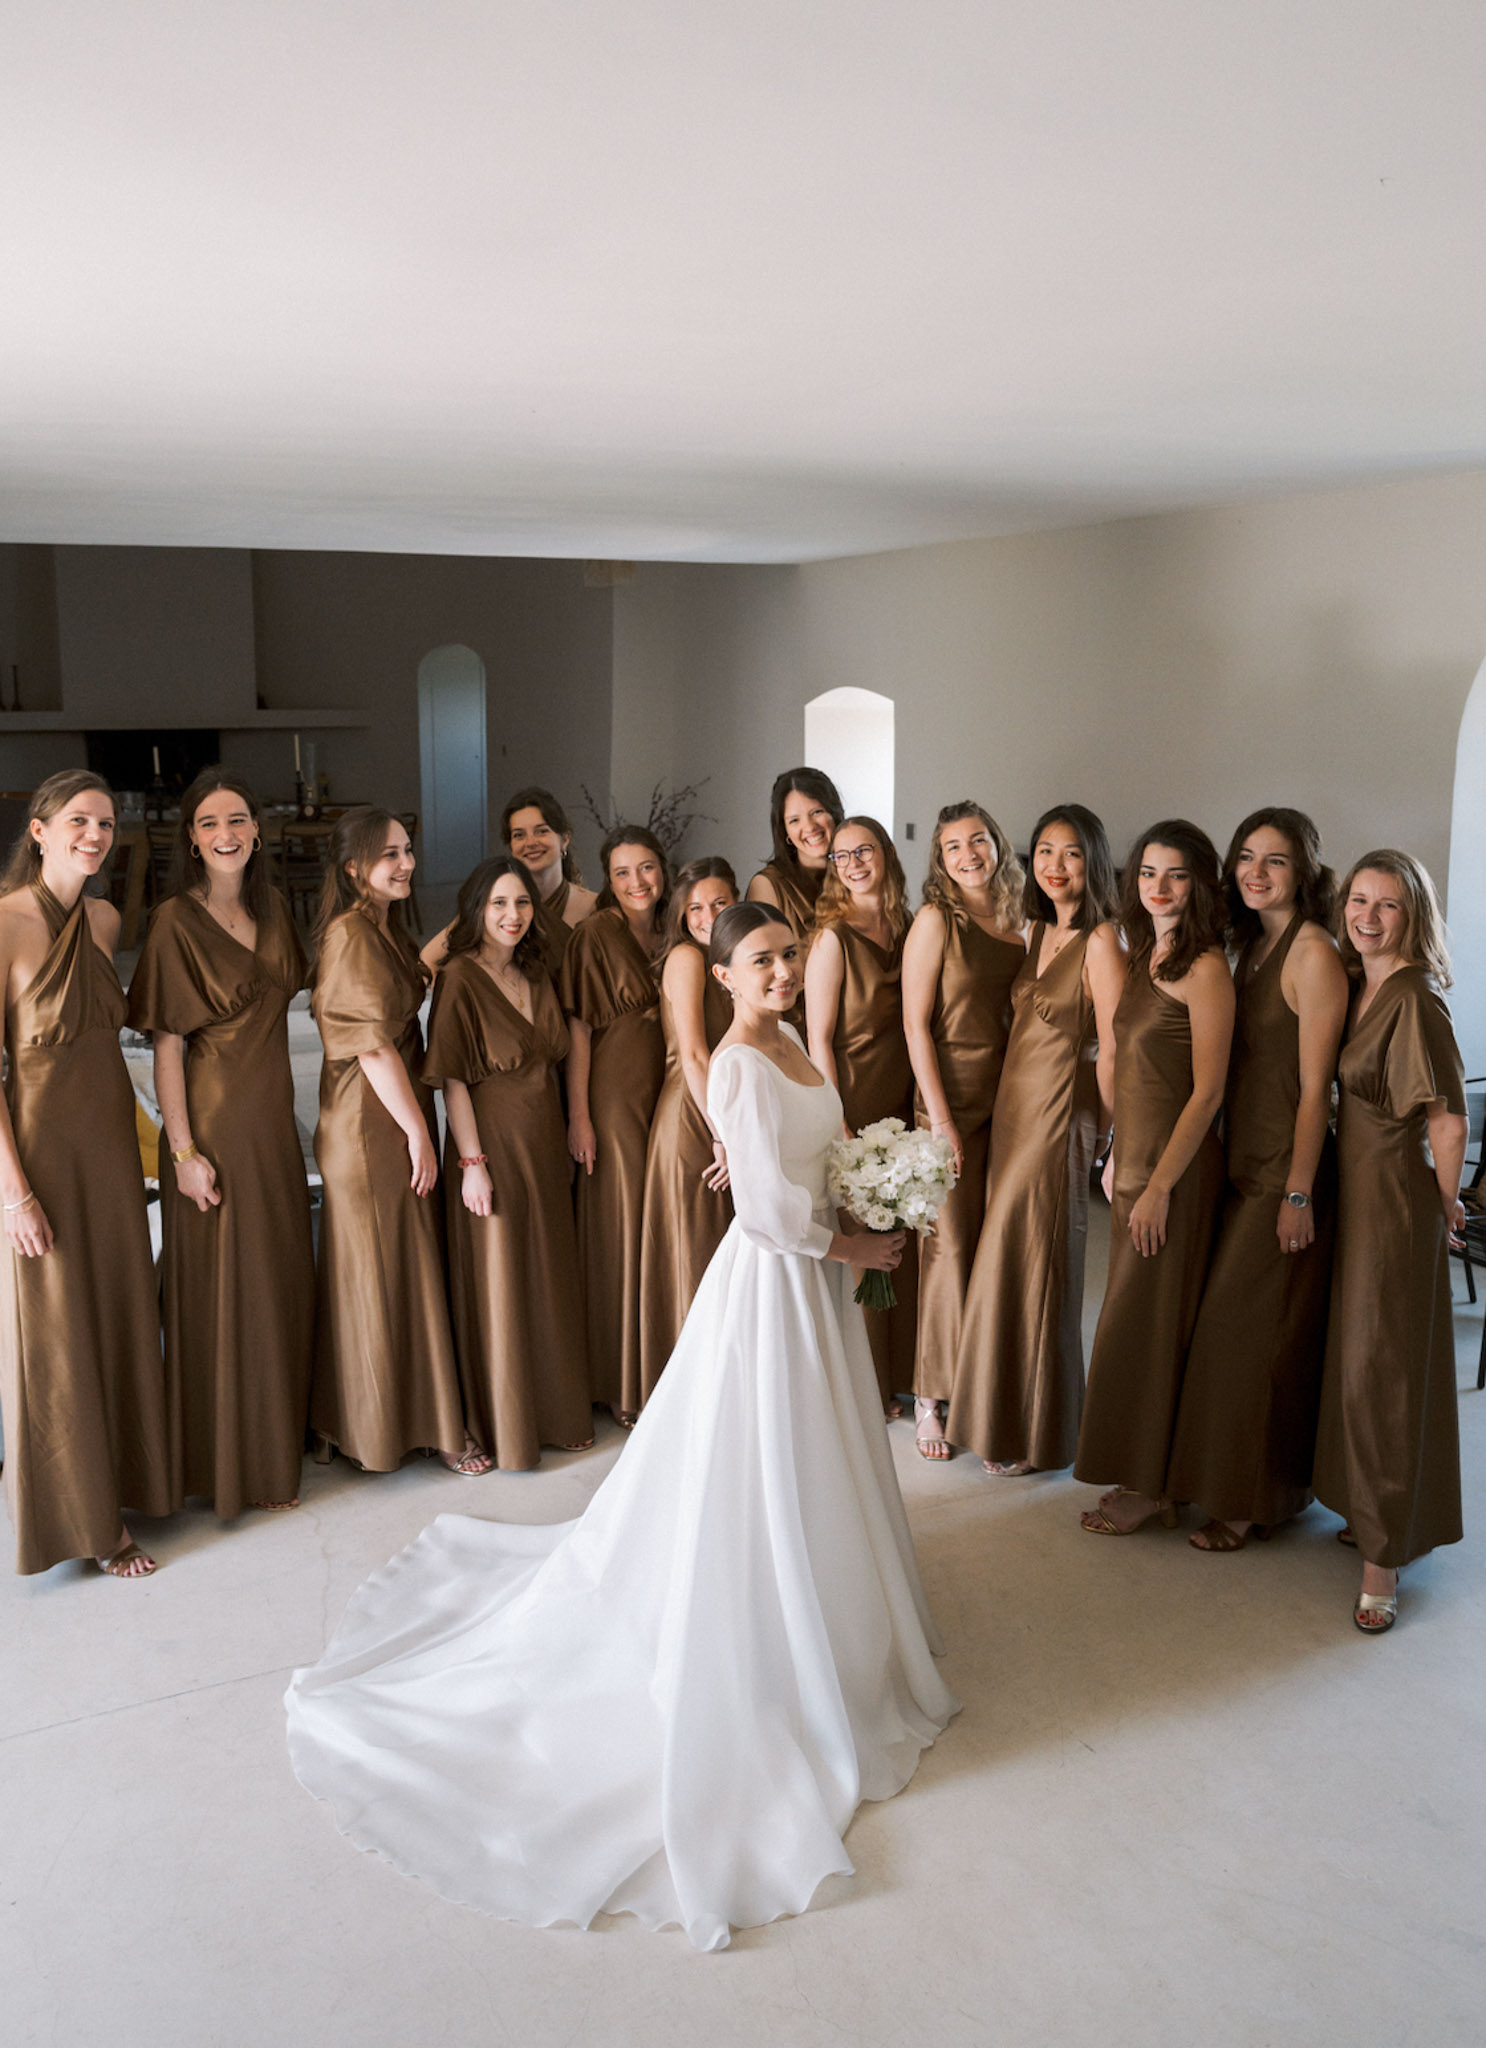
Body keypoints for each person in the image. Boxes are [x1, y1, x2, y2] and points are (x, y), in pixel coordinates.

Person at [285, 901, 956, 1952]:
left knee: (816, 1458)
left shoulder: (789, 1042)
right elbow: (765, 1216)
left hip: (815, 1284)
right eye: (758, 961)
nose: (779, 971)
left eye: (786, 955)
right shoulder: (740, 1063)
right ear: (722, 976)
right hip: (780, 1285)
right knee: (764, 1461)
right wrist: (854, 1248)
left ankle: (831, 1614)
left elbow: (794, 1161)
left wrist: (860, 1186)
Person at [0, 771, 175, 1577]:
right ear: (39, 830)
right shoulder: (4, 923)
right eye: (79, 820)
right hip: (43, 1152)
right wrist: (15, 1194)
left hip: (109, 1144)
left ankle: (131, 1484)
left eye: (105, 822)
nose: (96, 835)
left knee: (118, 1309)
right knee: (57, 1327)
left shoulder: (104, 919)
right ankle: (87, 1523)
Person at [128, 769, 316, 1519]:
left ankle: (275, 1448)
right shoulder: (175, 921)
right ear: (192, 839)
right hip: (213, 1129)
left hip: (274, 1127)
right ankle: (228, 1464)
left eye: (237, 819)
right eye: (209, 823)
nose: (225, 833)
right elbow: (167, 1045)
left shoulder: (275, 913)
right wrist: (182, 1152)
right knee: (224, 1293)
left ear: (257, 830)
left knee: (277, 1284)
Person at [1166, 810, 1349, 1549]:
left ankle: (1249, 1502)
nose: (1256, 872)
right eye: (1246, 857)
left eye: (1275, 860)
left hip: (1284, 1172)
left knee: (1247, 1337)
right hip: (1243, 1163)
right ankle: (1258, 1489)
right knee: (1242, 1336)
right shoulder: (1250, 945)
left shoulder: (1314, 953)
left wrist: (1298, 1191)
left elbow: (1315, 1091)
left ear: (1303, 872)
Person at [1311, 851, 1467, 1633]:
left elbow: (1448, 1118)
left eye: (1388, 905)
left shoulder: (1414, 996)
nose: (1368, 917)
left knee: (1382, 1375)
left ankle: (1383, 1562)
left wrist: (1445, 1202)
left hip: (1395, 1204)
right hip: (1359, 1194)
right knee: (1356, 1360)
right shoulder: (1363, 983)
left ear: (1414, 917)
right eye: (1359, 900)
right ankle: (1371, 1512)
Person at [308, 808, 490, 1477]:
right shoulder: (350, 933)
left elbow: (412, 975)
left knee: (393, 1267)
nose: (406, 863)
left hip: (387, 1112)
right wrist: (418, 1130)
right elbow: (374, 1046)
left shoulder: (379, 926)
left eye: (408, 850)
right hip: (370, 1122)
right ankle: (412, 1428)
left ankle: (376, 1419)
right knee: (387, 1270)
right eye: (390, 854)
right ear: (354, 867)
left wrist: (469, 928)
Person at [947, 805, 1125, 1474]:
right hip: (1012, 1111)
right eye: (1045, 851)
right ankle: (999, 1415)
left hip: (1058, 1116)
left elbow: (1114, 1048)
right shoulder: (1037, 930)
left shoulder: (1103, 940)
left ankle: (1035, 1431)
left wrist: (1105, 1135)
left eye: (1071, 853)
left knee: (1039, 1264)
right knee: (1007, 1260)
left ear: (1092, 862)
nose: (1054, 865)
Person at [1073, 820, 1234, 1533]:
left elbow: (1208, 1093)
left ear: (1199, 884)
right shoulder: (1145, 956)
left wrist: (1162, 1186)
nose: (1158, 887)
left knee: (1149, 1329)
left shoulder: (1207, 967)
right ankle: (1145, 1477)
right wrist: (1114, 1156)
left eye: (1175, 875)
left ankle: (1149, 1488)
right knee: (1133, 1327)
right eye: (1147, 873)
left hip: (1175, 1175)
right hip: (1134, 1166)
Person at [423, 855, 594, 1469]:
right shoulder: (459, 977)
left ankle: (557, 1411)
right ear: (476, 909)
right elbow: (453, 1080)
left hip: (543, 1139)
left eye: (521, 902)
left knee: (546, 1273)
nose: (512, 914)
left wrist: (575, 1122)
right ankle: (503, 1425)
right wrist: (472, 1162)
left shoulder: (537, 969)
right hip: (490, 1142)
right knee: (498, 1278)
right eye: (498, 903)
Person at [901, 803, 1025, 1459]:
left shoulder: (1022, 918)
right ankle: (930, 1396)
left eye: (978, 840)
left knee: (992, 1251)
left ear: (997, 845)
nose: (968, 854)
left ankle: (982, 1392)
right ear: (940, 860)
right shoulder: (934, 920)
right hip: (947, 1102)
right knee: (947, 1249)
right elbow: (915, 1024)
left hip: (1012, 1104)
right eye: (953, 846)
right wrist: (941, 1119)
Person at [805, 816, 918, 1414]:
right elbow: (818, 1040)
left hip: (905, 1103)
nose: (852, 864)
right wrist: (840, 1125)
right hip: (856, 1101)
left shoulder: (910, 925)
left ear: (886, 854)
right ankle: (866, 1385)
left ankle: (903, 1371)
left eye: (863, 851)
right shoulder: (832, 939)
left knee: (903, 1241)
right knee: (865, 1245)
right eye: (841, 856)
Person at [561, 824, 669, 1424]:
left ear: (663, 868)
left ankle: (663, 1365)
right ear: (607, 879)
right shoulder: (595, 935)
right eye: (622, 872)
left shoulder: (677, 927)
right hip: (614, 1093)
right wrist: (580, 1116)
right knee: (621, 1225)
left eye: (646, 867)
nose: (637, 882)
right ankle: (620, 1380)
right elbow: (578, 1030)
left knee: (661, 1223)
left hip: (669, 1090)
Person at [636, 857, 737, 1404]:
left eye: (719, 903)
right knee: (695, 1260)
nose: (707, 916)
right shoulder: (686, 958)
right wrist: (720, 1134)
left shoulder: (733, 960)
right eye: (695, 907)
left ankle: (724, 1391)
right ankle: (688, 1400)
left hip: (724, 1118)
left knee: (724, 1261)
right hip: (694, 1120)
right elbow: (695, 1055)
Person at [421, 787, 596, 979]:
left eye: (541, 831)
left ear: (564, 839)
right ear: (511, 846)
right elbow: (427, 960)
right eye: (519, 835)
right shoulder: (492, 906)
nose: (531, 842)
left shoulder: (592, 905)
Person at [745, 767, 843, 1027]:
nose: (809, 827)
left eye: (817, 812)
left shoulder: (852, 874)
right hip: (796, 1026)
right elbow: (759, 973)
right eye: (794, 820)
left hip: (856, 1026)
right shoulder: (768, 885)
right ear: (785, 831)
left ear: (834, 813)